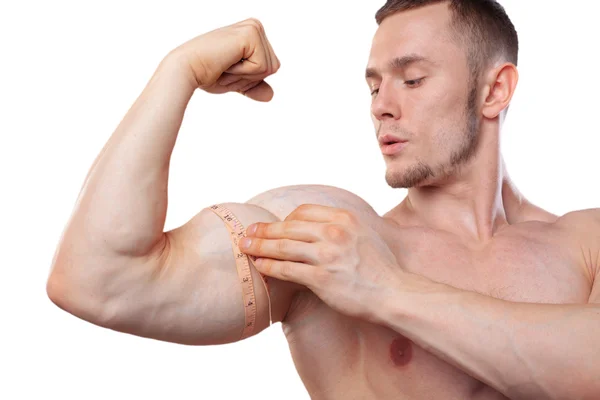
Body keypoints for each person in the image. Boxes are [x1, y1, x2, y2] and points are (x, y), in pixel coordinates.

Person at [46, 1, 600, 399]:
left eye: (411, 80)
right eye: (373, 85)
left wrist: (385, 289)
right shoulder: (331, 236)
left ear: (495, 90)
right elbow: (97, 280)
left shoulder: (586, 242)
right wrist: (179, 70)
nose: (381, 105)